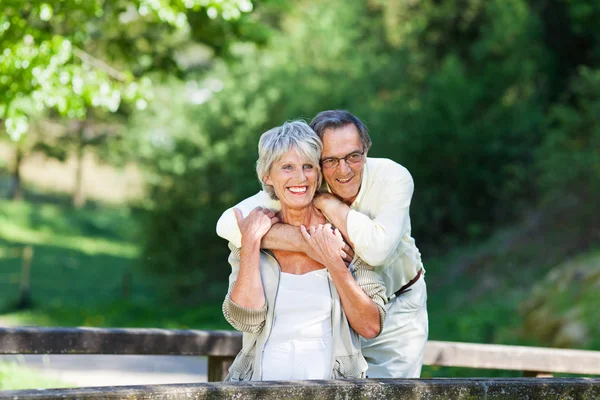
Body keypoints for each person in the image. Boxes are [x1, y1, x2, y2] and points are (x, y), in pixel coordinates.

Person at [217, 110, 428, 378]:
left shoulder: (392, 177)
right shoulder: (305, 181)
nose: (343, 170)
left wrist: (326, 203)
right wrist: (307, 243)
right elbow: (226, 224)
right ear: (320, 159)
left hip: (398, 302)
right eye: (330, 160)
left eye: (353, 156)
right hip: (337, 324)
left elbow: (375, 251)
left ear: (366, 150)